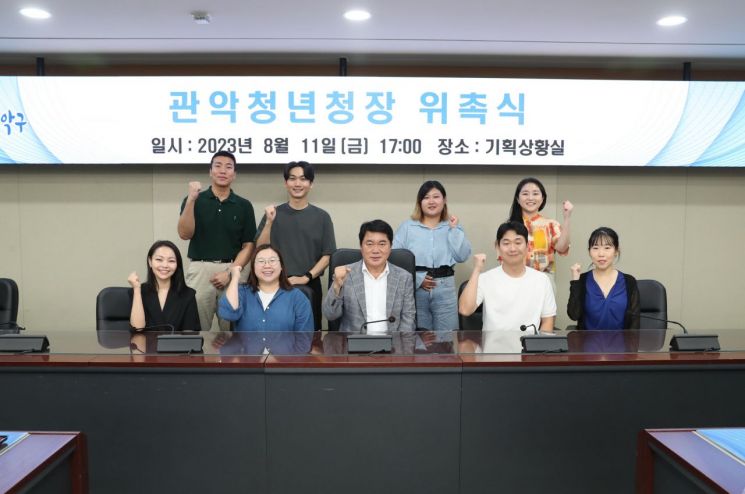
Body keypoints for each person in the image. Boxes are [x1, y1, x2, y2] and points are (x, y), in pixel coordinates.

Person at [177, 151, 256, 331]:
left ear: (234, 174)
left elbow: (248, 246)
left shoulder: (244, 205)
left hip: (233, 270)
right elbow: (184, 234)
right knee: (196, 328)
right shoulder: (194, 200)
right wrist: (191, 200)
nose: (223, 171)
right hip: (200, 269)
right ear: (210, 171)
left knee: (233, 329)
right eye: (218, 166)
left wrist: (230, 272)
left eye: (228, 167)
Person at [255, 161, 336, 330]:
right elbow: (260, 249)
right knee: (273, 333)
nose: (297, 183)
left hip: (309, 284)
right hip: (273, 284)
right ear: (286, 183)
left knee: (310, 335)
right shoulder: (273, 214)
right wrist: (269, 222)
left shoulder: (322, 217)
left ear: (311, 184)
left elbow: (328, 255)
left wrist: (306, 277)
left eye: (303, 179)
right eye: (292, 178)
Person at [393, 180, 471, 331]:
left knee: (447, 339)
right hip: (416, 289)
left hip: (445, 288)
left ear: (444, 200)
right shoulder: (407, 227)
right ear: (420, 202)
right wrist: (417, 278)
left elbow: (462, 256)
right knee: (419, 340)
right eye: (426, 197)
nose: (431, 201)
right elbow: (395, 259)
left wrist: (454, 230)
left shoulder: (453, 226)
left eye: (436, 196)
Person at [459, 221, 556, 332]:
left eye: (518, 242)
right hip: (493, 342)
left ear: (527, 246)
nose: (512, 248)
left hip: (528, 342)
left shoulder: (542, 280)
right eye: (506, 243)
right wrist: (477, 270)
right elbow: (465, 309)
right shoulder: (485, 279)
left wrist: (539, 343)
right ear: (497, 247)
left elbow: (548, 321)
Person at [323, 220, 416, 333]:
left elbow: (408, 319)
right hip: (354, 342)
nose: (375, 250)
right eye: (370, 244)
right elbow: (330, 315)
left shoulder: (404, 277)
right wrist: (337, 286)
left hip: (393, 342)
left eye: (382, 244)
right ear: (361, 246)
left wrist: (399, 343)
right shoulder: (346, 274)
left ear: (390, 246)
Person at [217, 244, 313, 332]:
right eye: (261, 261)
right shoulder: (241, 292)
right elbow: (228, 314)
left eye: (272, 261)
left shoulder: (297, 297)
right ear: (253, 268)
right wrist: (235, 278)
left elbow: (304, 337)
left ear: (281, 267)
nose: (267, 265)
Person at [567, 227, 640, 330]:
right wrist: (575, 280)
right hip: (588, 340)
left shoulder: (629, 281)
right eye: (595, 248)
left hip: (621, 340)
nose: (601, 254)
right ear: (589, 252)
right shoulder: (582, 280)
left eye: (607, 248)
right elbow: (573, 315)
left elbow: (635, 324)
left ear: (616, 251)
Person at [127, 240, 201, 332]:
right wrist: (137, 289)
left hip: (176, 342)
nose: (165, 265)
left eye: (171, 261)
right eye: (159, 259)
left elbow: (189, 334)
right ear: (150, 262)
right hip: (145, 342)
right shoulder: (138, 291)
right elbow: (138, 328)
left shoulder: (188, 294)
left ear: (177, 264)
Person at [508, 177, 573, 276]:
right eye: (525, 194)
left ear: (542, 198)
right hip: (515, 278)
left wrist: (567, 218)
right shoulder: (509, 227)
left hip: (544, 278)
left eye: (535, 193)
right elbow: (503, 256)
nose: (530, 198)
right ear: (517, 199)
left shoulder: (551, 225)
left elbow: (562, 248)